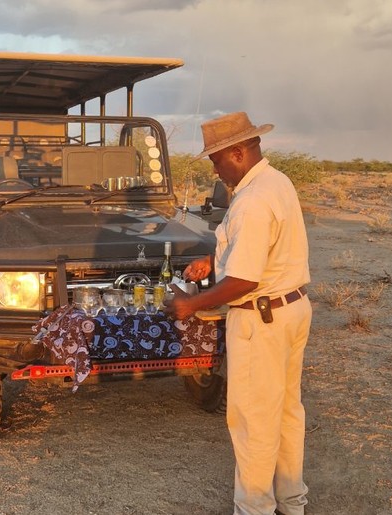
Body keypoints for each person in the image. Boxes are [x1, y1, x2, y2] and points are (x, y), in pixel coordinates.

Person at [164, 112, 312, 515]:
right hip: (291, 309)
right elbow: (260, 250)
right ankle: (291, 501)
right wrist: (215, 263)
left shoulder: (252, 200)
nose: (216, 168)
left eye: (216, 160)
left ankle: (254, 508)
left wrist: (191, 303)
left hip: (260, 319)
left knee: (253, 422)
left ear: (238, 152)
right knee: (284, 411)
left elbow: (245, 280)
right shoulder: (275, 182)